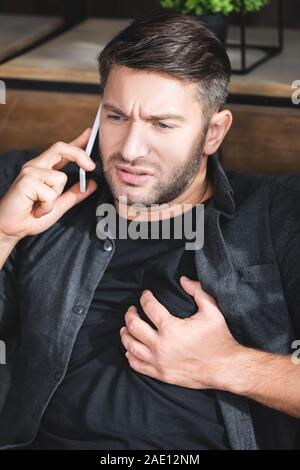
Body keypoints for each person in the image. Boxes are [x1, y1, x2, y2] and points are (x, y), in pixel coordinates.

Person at [0, 13, 299, 450]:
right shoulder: (41, 197)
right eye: (117, 117)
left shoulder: (276, 218)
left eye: (162, 124)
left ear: (213, 132)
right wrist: (4, 234)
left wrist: (227, 363)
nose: (130, 150)